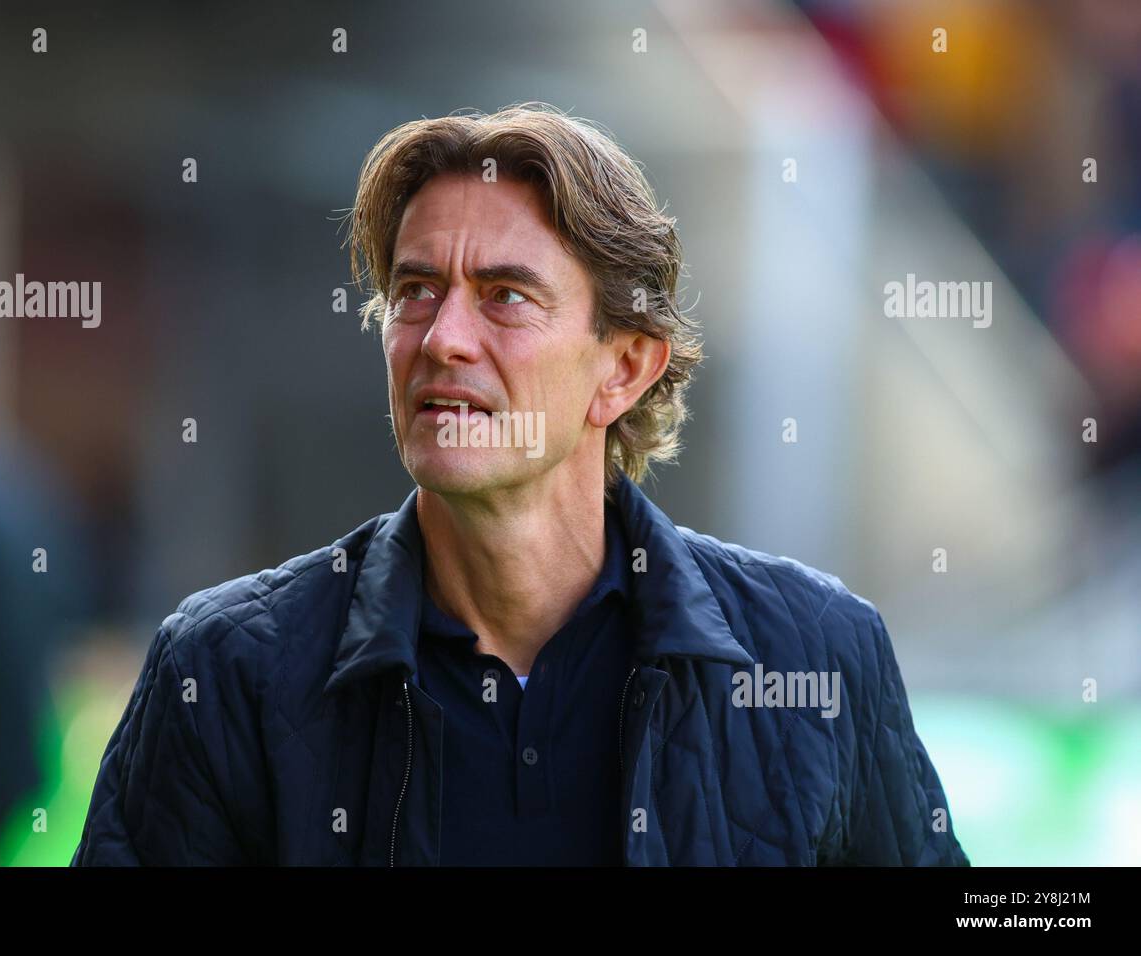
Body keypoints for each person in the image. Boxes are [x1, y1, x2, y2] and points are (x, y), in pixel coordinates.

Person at [72, 103, 969, 866]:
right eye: (417, 291)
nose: (442, 339)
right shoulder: (227, 671)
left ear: (623, 369)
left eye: (504, 295)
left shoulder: (816, 655)